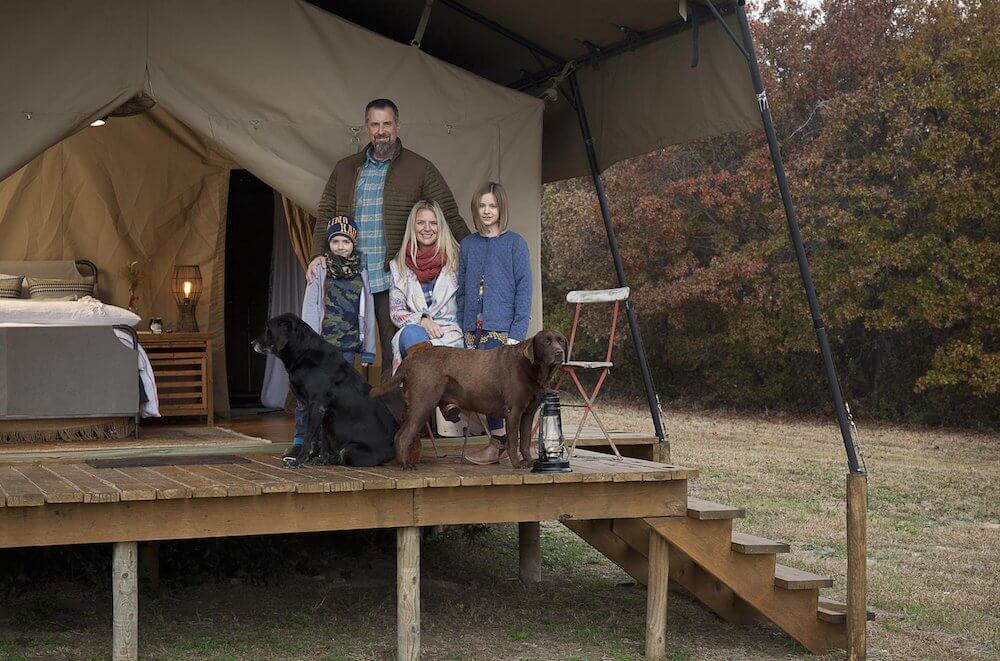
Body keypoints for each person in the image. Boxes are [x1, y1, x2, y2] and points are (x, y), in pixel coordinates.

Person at [307, 98, 469, 381]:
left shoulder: (419, 168)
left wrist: (476, 258)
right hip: (346, 276)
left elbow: (449, 215)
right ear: (367, 128)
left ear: (397, 126)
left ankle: (396, 421)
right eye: (375, 124)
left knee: (394, 356)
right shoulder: (345, 169)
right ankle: (342, 420)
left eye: (387, 124)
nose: (381, 131)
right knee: (338, 352)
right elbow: (325, 214)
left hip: (389, 278)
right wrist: (317, 254)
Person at [286, 214, 376, 459]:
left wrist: (368, 348)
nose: (340, 246)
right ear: (329, 244)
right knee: (309, 395)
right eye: (335, 241)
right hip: (320, 348)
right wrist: (306, 347)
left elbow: (367, 313)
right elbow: (310, 309)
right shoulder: (320, 270)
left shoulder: (362, 273)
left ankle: (331, 445)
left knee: (336, 398)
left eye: (345, 242)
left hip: (346, 348)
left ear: (353, 244)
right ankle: (301, 439)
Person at [456, 181, 532, 465]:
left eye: (493, 206)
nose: (487, 211)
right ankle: (498, 439)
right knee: (479, 385)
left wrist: (517, 333)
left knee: (499, 386)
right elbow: (462, 288)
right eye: (482, 206)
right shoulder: (469, 244)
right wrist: (463, 323)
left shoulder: (515, 244)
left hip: (502, 331)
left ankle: (499, 441)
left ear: (501, 209)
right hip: (473, 328)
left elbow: (524, 290)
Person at [388, 199, 463, 372]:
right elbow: (396, 311)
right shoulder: (399, 265)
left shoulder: (458, 258)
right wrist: (422, 320)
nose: (427, 228)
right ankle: (428, 391)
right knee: (411, 333)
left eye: (433, 223)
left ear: (441, 226)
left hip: (451, 335)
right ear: (412, 227)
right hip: (417, 338)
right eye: (421, 222)